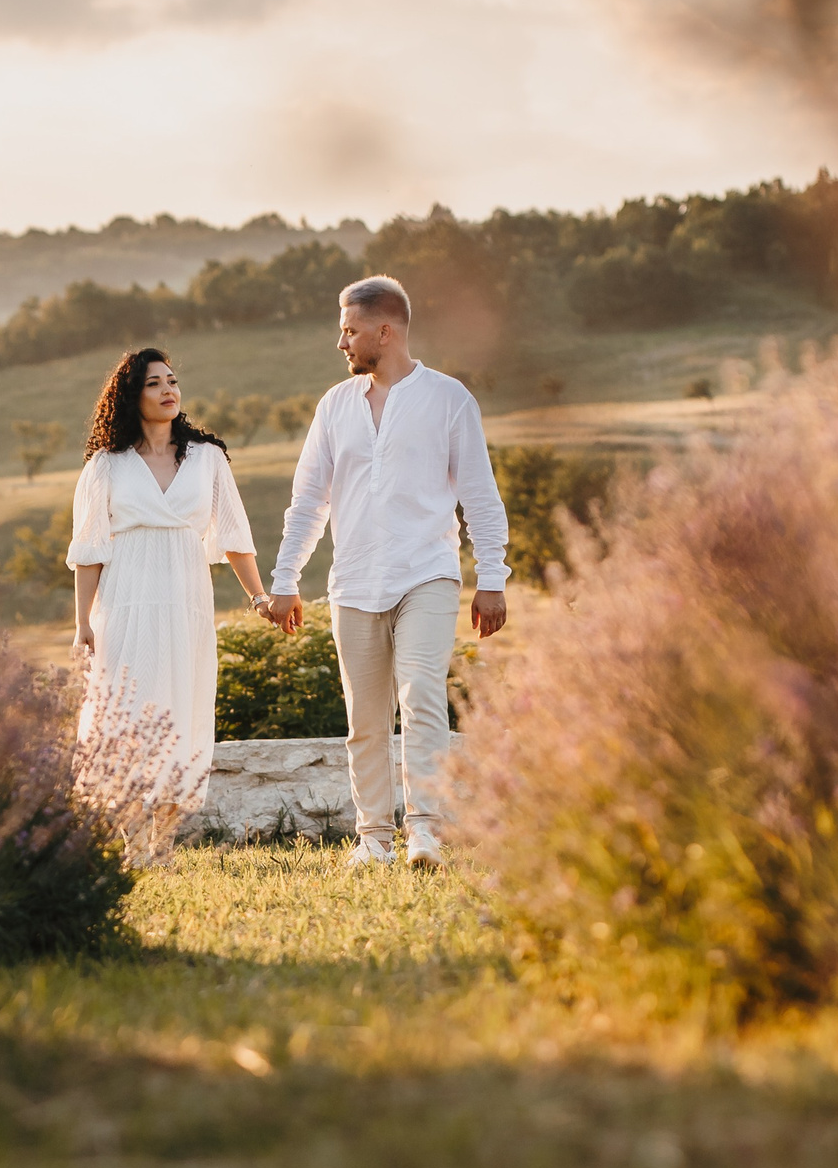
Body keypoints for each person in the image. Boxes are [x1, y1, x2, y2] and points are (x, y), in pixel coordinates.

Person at [266, 276, 510, 869]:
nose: (341, 343)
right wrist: (285, 579)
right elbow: (308, 502)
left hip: (427, 572)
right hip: (354, 581)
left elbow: (480, 496)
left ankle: (424, 831)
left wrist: (492, 577)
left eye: (349, 331)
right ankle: (373, 838)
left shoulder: (449, 399)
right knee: (365, 720)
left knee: (421, 695)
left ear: (384, 331)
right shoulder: (334, 406)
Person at [67, 347, 271, 816]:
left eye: (172, 381)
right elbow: (89, 550)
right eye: (154, 383)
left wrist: (259, 596)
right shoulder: (106, 465)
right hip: (125, 602)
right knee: (125, 712)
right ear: (131, 396)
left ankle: (163, 835)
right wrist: (83, 623)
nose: (168, 390)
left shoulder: (208, 458)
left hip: (185, 601)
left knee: (181, 710)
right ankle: (130, 833)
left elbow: (234, 535)